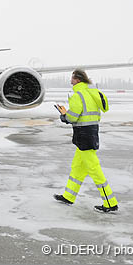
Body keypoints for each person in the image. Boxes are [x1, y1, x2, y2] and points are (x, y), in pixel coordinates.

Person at [54, 69, 119, 213]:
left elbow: (73, 117)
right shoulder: (91, 93)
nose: (70, 81)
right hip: (91, 133)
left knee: (95, 171)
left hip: (83, 136)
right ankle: (68, 196)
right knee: (77, 167)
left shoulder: (78, 95)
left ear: (77, 79)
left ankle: (110, 203)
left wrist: (64, 116)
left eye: (72, 78)